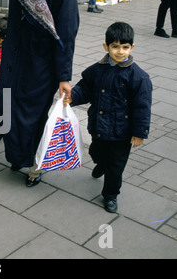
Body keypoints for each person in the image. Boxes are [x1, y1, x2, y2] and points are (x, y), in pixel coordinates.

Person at [0, 0, 79, 187]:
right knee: (5, 107)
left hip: (41, 66)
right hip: (16, 61)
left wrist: (64, 76)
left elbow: (66, 35)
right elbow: (13, 25)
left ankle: (35, 167)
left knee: (32, 116)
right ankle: (18, 156)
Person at [65, 22, 152, 213]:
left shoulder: (138, 77)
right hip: (99, 127)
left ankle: (111, 195)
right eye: (115, 46)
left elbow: (142, 107)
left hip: (122, 133)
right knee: (96, 152)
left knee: (116, 167)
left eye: (125, 47)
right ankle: (101, 164)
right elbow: (85, 88)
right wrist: (73, 96)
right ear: (106, 47)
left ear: (132, 47)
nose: (120, 51)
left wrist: (139, 132)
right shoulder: (97, 70)